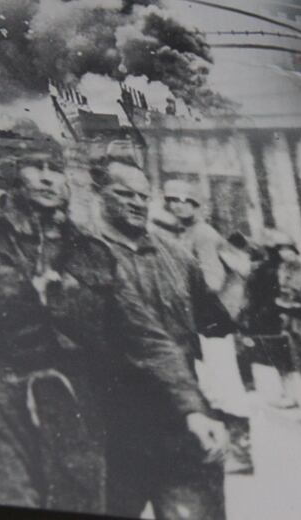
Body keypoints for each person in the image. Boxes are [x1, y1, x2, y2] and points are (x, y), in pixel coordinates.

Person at [0, 122, 198, 514]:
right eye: (35, 166)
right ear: (9, 171)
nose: (48, 177)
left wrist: (192, 407)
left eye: (56, 168)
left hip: (76, 408)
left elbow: (146, 337)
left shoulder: (90, 253)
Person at [90, 142, 235, 520]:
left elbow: (216, 324)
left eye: (143, 196)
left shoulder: (176, 254)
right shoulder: (82, 253)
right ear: (98, 192)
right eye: (124, 194)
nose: (137, 203)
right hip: (111, 425)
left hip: (181, 417)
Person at [238, 229, 301, 408]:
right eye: (280, 249)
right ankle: (292, 395)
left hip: (297, 320)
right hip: (282, 320)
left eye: (287, 249)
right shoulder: (272, 270)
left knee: (298, 361)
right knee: (286, 359)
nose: (283, 253)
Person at [160, 179, 228, 294]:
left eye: (185, 201)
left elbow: (213, 281)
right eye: (174, 200)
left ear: (194, 204)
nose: (178, 206)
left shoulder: (203, 232)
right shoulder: (174, 230)